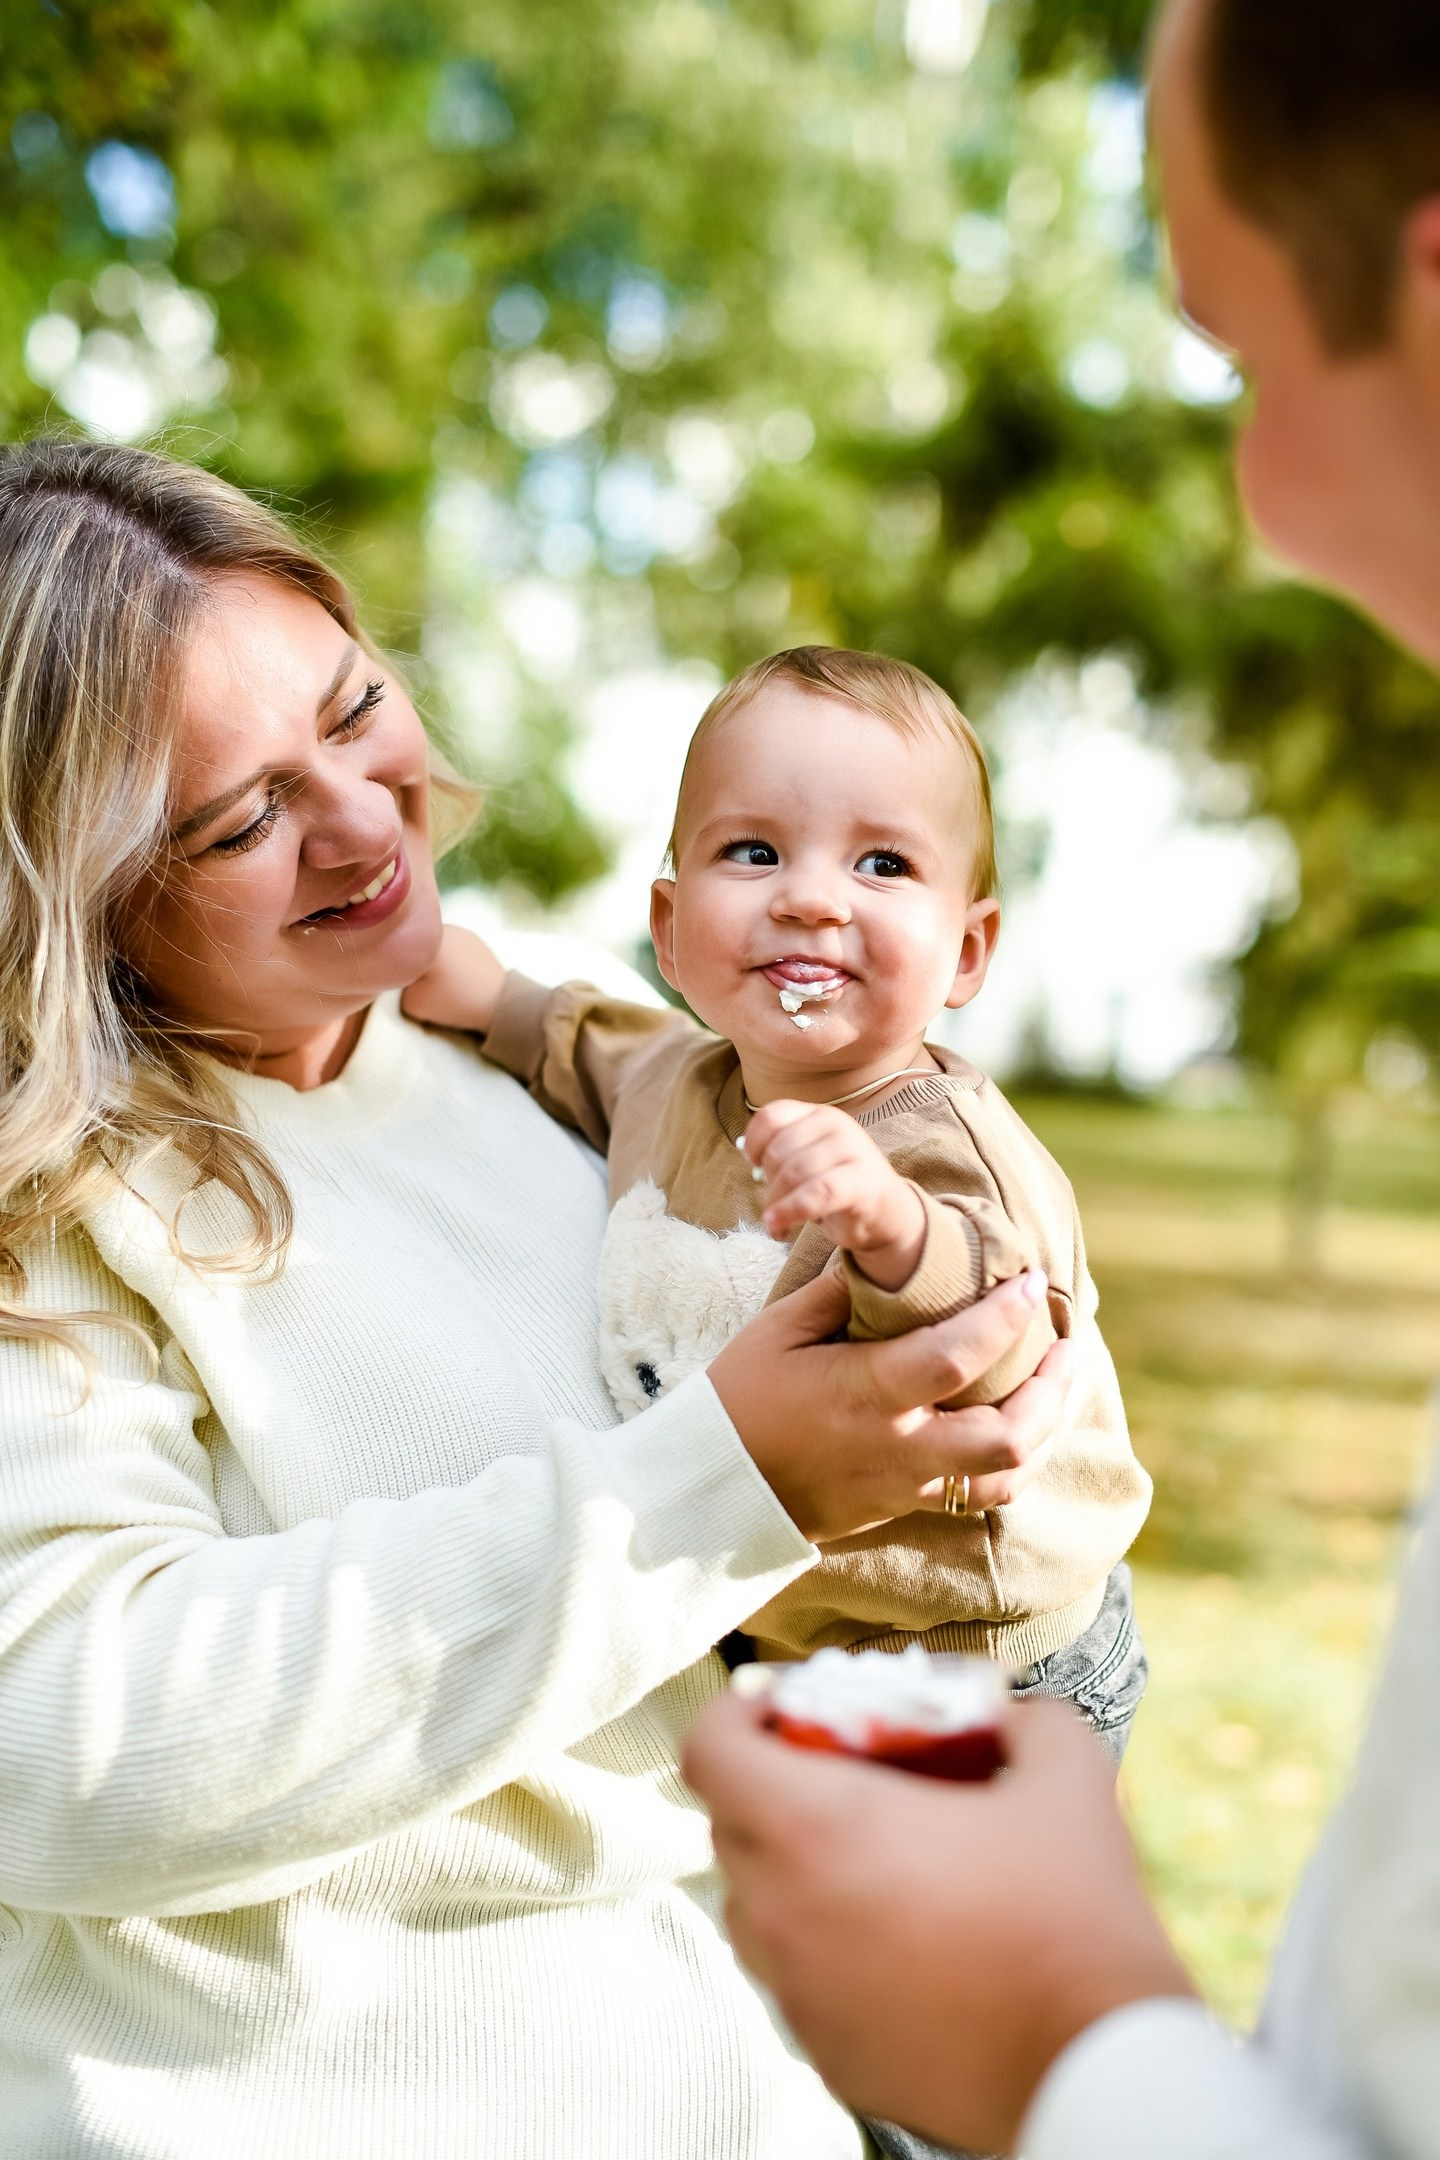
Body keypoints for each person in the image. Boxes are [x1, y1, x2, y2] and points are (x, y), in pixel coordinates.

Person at [0, 437, 1069, 2159]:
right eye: (244, 817)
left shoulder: (552, 1073)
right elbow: (61, 1750)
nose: (367, 825)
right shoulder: (53, 1202)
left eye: (356, 712)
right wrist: (719, 1485)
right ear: (78, 893)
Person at [682, 0, 1440, 2155]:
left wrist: (1067, 2041)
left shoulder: (938, 1135)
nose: (1257, 499)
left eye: (1244, 361)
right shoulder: (667, 1068)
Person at [405, 647, 1150, 1739]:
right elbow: (588, 1045)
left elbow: (1001, 1351)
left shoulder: (946, 1151)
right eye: (754, 851)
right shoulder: (672, 1081)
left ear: (967, 949)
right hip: (796, 1645)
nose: (809, 899)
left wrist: (893, 1228)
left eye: (883, 864)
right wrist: (488, 999)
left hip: (983, 1662)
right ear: (669, 932)